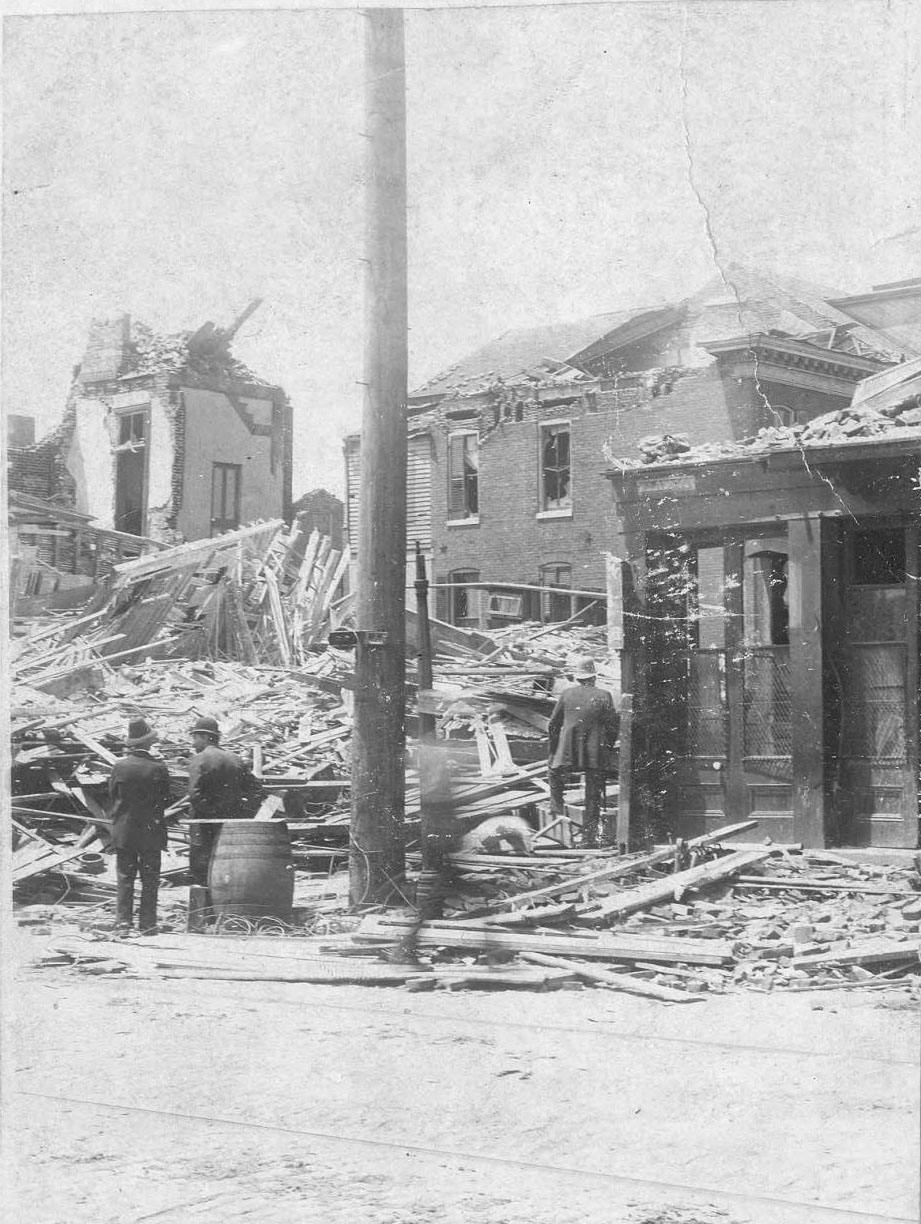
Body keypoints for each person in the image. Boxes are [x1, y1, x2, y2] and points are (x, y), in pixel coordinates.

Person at [548, 657, 620, 849]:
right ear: (594, 678)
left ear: (578, 678)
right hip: (595, 752)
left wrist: (554, 751)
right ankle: (589, 838)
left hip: (568, 752)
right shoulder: (605, 695)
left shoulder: (566, 693)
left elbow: (553, 724)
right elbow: (614, 726)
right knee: (594, 792)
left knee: (554, 775)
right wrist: (608, 746)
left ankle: (556, 815)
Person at [108, 716, 172, 934]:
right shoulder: (159, 768)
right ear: (148, 743)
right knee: (150, 878)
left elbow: (113, 795)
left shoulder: (120, 767)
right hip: (151, 831)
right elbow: (166, 799)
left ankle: (123, 924)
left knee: (125, 877)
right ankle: (148, 923)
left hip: (125, 830)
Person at [187, 716, 262, 886]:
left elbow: (194, 793)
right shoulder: (234, 758)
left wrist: (210, 812)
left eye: (196, 738)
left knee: (203, 870)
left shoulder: (199, 759)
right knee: (229, 866)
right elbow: (256, 789)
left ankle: (206, 909)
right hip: (232, 822)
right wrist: (244, 810)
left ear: (206, 737)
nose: (193, 744)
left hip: (204, 825)